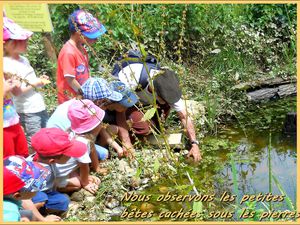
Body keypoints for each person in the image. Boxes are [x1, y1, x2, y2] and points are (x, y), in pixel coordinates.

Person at [112, 51, 202, 162]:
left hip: (149, 103)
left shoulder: (168, 85)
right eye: (164, 100)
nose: (167, 102)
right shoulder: (132, 78)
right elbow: (119, 111)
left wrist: (194, 143)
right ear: (154, 91)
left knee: (154, 127)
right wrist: (127, 143)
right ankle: (127, 131)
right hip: (130, 103)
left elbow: (184, 116)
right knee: (143, 129)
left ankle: (153, 125)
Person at [3, 17, 50, 151]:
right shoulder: (7, 64)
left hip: (38, 105)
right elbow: (16, 92)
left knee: (45, 136)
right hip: (27, 110)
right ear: (9, 44)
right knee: (34, 142)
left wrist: (39, 80)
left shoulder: (23, 59)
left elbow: (28, 81)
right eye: (22, 40)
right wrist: (36, 82)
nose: (26, 42)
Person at [47, 100, 104, 194]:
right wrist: (85, 183)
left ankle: (74, 176)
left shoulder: (73, 132)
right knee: (77, 183)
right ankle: (55, 187)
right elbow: (84, 166)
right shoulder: (83, 143)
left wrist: (96, 167)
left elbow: (92, 148)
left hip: (60, 166)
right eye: (100, 122)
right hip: (57, 174)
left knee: (76, 168)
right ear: (94, 126)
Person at [30, 127, 89, 216]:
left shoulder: (44, 158)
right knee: (48, 199)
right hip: (33, 195)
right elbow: (25, 196)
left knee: (63, 200)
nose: (71, 156)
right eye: (69, 154)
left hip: (46, 189)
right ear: (52, 161)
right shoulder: (39, 174)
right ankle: (38, 214)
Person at [56, 9, 106, 104]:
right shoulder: (68, 52)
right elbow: (70, 79)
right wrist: (85, 94)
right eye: (92, 36)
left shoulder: (82, 49)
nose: (96, 39)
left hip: (82, 98)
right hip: (71, 101)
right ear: (78, 33)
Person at [81, 77, 138, 157]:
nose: (126, 107)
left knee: (114, 129)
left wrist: (126, 141)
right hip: (86, 141)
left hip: (100, 135)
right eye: (123, 105)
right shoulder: (90, 111)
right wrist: (117, 147)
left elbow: (120, 119)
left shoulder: (105, 105)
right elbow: (100, 129)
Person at [3, 155, 60, 222]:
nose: (39, 189)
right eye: (35, 187)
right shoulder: (10, 213)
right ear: (17, 195)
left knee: (29, 214)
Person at [3, 75, 28, 158]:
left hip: (14, 123)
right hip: (4, 129)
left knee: (23, 154)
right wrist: (5, 90)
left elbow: (16, 93)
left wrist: (16, 85)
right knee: (8, 159)